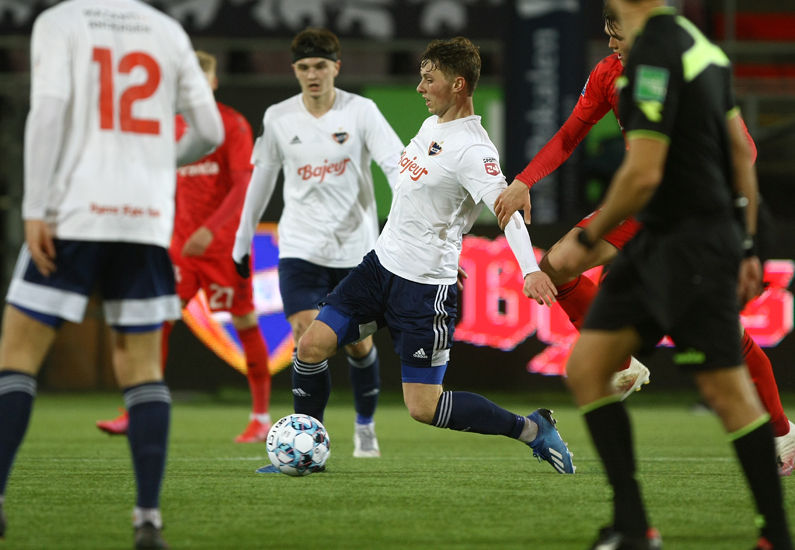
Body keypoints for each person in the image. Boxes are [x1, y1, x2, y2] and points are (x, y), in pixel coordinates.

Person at [247, 35, 576, 475]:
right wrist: (451, 235)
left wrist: (531, 269)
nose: (420, 87)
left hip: (422, 289)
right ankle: (309, 450)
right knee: (311, 345)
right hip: (379, 266)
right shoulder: (430, 127)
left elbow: (508, 211)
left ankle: (531, 430)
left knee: (423, 407)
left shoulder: (475, 150)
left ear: (459, 84)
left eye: (429, 78)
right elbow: (426, 202)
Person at [494, 5, 795, 475]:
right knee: (557, 264)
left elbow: (746, 150)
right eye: (609, 36)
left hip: (692, 217)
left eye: (618, 36)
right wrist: (526, 179)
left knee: (721, 344)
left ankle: (780, 431)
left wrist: (734, 223)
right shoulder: (609, 74)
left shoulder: (687, 65)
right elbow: (572, 135)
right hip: (641, 207)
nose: (611, 45)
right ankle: (622, 366)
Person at [562, 1, 792, 548]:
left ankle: (777, 537)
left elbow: (642, 172)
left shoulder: (652, 57)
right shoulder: (702, 47)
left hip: (688, 244)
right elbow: (741, 150)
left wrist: (595, 235)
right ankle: (634, 526)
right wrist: (750, 242)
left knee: (726, 391)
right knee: (589, 368)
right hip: (668, 242)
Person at [0, 0, 223, 548]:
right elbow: (209, 129)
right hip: (144, 219)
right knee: (143, 369)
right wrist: (153, 163)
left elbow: (47, 112)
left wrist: (35, 208)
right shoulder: (167, 29)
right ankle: (147, 516)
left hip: (74, 211)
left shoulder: (60, 21)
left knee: (17, 357)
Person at [233, 27, 403, 458]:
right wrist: (241, 242)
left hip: (356, 252)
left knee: (358, 344)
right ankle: (312, 440)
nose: (313, 74)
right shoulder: (278, 117)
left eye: (321, 66)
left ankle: (365, 425)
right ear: (295, 70)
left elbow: (396, 167)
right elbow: (262, 179)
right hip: (300, 248)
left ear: (336, 68)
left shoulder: (361, 111)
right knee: (307, 336)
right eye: (305, 67)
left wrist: (409, 223)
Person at [96, 51, 273, 444]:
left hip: (223, 247)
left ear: (211, 82)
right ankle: (135, 411)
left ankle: (260, 416)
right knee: (155, 324)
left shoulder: (231, 125)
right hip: (178, 248)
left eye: (196, 77)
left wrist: (211, 230)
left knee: (244, 324)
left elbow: (243, 185)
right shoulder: (169, 127)